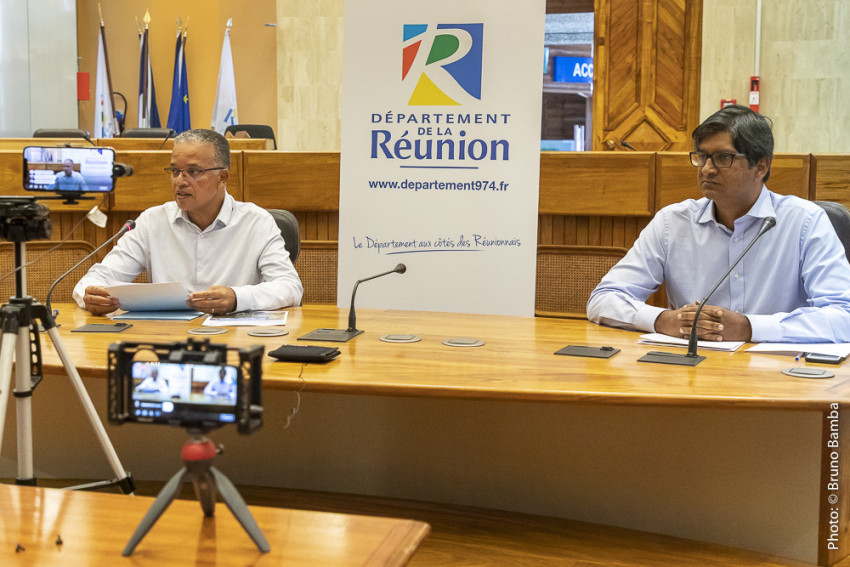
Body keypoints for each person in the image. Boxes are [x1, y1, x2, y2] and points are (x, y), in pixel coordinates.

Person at [587, 105, 850, 343]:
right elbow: (603, 299)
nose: (706, 169)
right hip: (691, 370)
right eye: (702, 156)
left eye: (723, 158)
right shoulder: (672, 222)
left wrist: (750, 328)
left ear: (760, 166)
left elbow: (844, 316)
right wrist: (662, 320)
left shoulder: (805, 222)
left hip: (775, 376)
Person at [72, 128, 303, 315]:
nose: (180, 182)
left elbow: (290, 287)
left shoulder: (257, 223)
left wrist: (236, 298)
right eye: (175, 171)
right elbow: (99, 277)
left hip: (234, 341)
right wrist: (91, 295)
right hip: (166, 342)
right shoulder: (153, 221)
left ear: (222, 177)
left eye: (193, 172)